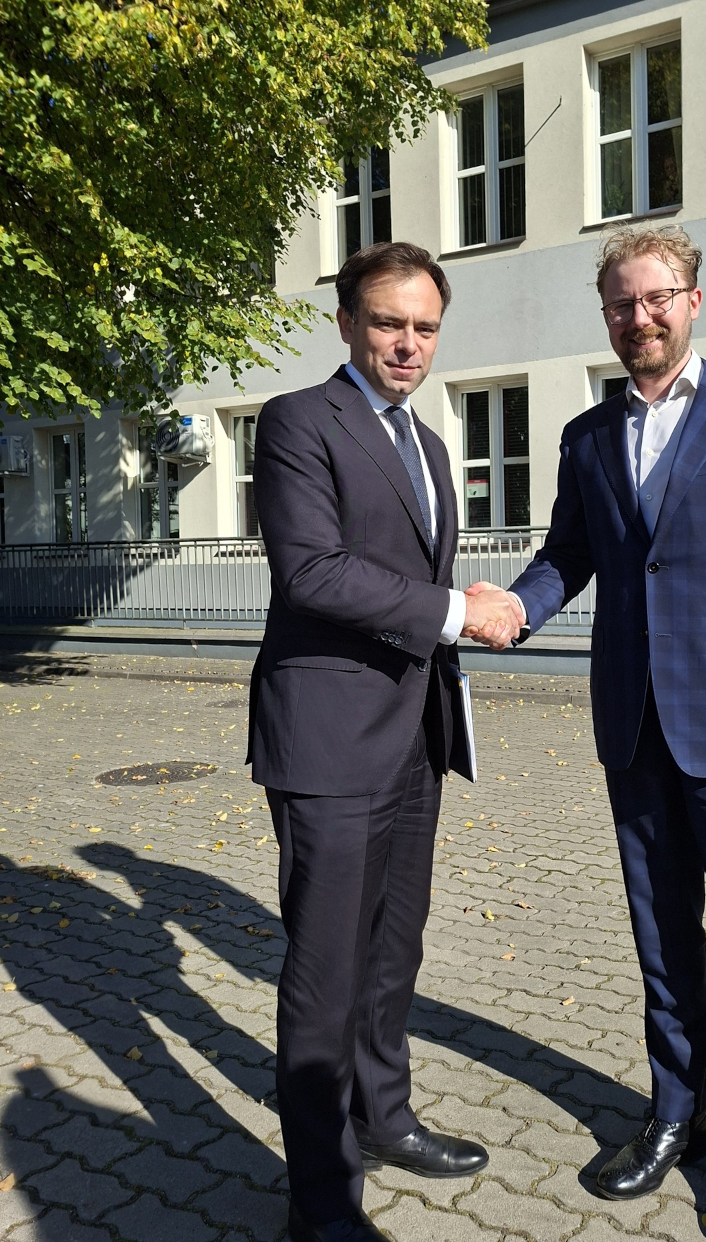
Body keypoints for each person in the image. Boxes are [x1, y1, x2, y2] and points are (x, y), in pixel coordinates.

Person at [471, 226, 706, 1242]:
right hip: (633, 727)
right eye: (621, 304)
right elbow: (568, 554)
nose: (640, 317)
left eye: (656, 297)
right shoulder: (587, 435)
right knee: (662, 940)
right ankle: (676, 1113)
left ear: (692, 301)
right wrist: (517, 606)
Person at [247, 241, 521, 1242]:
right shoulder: (297, 421)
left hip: (413, 735)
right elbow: (312, 571)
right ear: (347, 325)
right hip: (327, 742)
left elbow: (406, 572)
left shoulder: (430, 444)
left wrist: (461, 604)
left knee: (394, 950)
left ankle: (384, 1117)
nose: (408, 343)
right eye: (388, 322)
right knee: (325, 973)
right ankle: (322, 1202)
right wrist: (456, 611)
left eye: (425, 327)